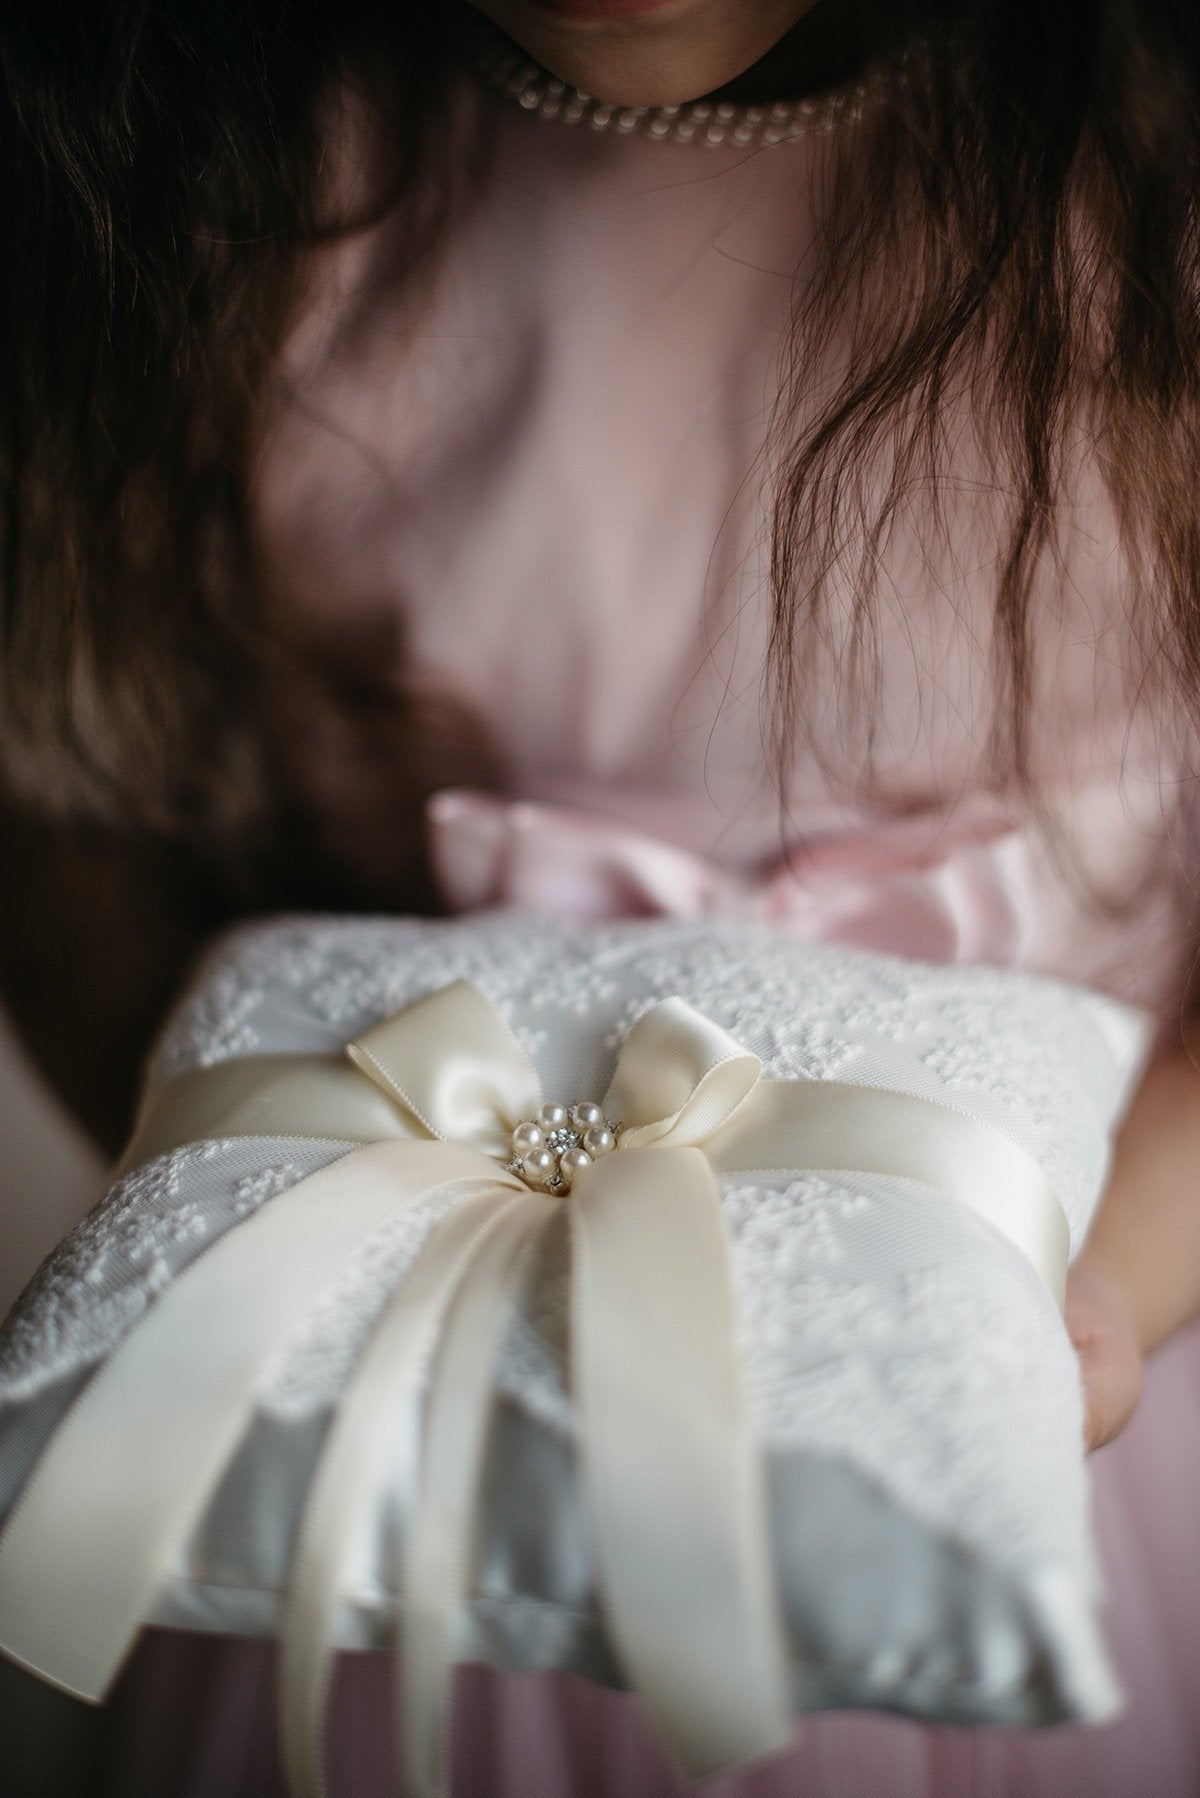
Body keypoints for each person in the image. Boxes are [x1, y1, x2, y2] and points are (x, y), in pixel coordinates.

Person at [2, 0, 1200, 1790]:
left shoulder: (1155, 186)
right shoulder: (191, 183)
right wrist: (308, 1251)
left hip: (1077, 1362)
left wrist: (1094, 1294)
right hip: (395, 1462)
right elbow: (65, 812)